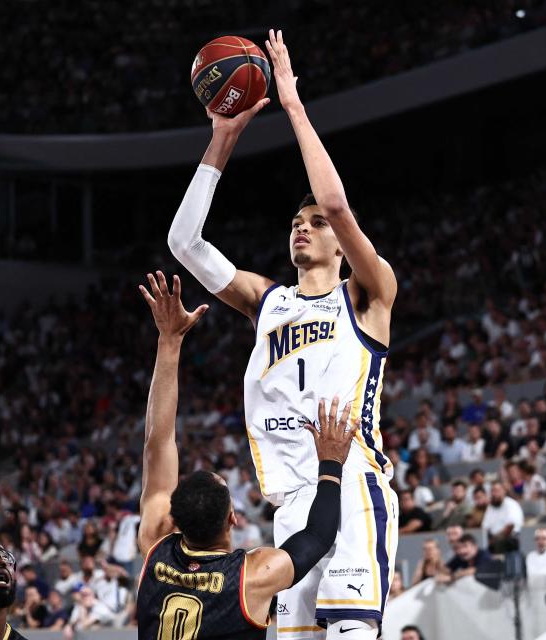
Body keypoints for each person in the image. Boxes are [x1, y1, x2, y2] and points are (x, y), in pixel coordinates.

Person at [169, 30, 397, 639]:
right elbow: (183, 244)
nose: (304, 228)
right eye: (297, 222)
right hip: (290, 504)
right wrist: (220, 143)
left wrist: (292, 104)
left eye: (315, 224)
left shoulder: (366, 295)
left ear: (340, 245)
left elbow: (337, 202)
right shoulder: (266, 301)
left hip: (350, 484)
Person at [134, 272, 358, 639]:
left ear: (173, 519)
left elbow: (157, 443)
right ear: (233, 519)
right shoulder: (251, 576)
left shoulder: (155, 547)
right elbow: (320, 537)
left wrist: (168, 342)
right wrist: (332, 463)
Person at [481, 482, 523, 553]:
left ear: (504, 491)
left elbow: (510, 527)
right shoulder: (491, 507)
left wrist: (493, 539)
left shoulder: (511, 504)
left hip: (510, 537)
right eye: (492, 491)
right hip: (493, 538)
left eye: (497, 491)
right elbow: (485, 526)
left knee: (499, 541)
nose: (494, 494)